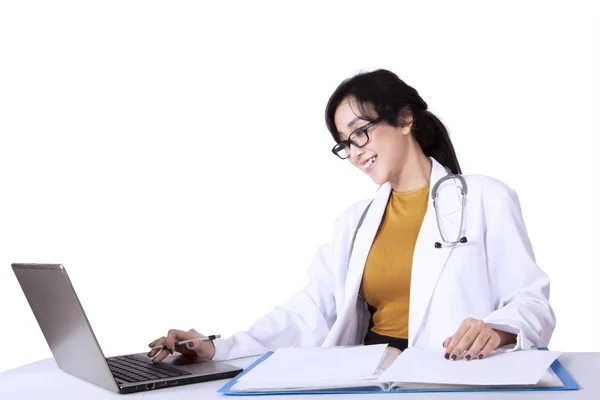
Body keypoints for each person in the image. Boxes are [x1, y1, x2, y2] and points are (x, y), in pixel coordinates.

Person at [147, 69, 555, 364]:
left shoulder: (485, 197)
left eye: (360, 131)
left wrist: (498, 328)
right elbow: (311, 309)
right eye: (344, 143)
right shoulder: (356, 221)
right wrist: (219, 348)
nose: (355, 150)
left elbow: (531, 302)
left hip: (452, 375)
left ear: (405, 118)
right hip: (370, 373)